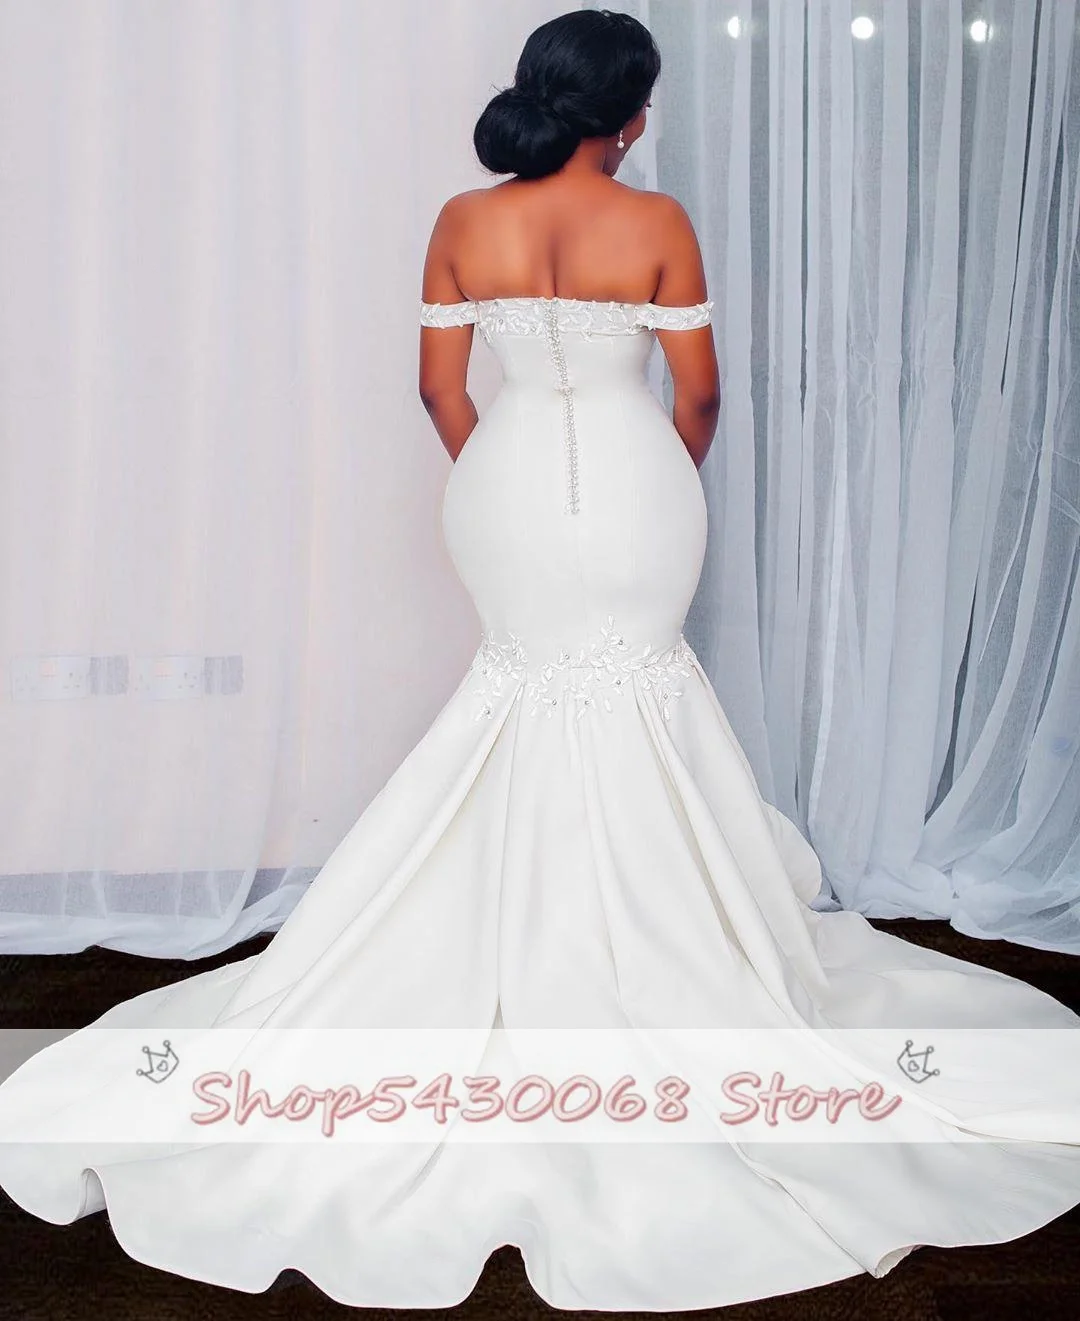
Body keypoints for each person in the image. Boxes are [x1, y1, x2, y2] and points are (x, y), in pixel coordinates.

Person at [1, 8, 1079, 1313]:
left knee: (520, 692)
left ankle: (524, 935)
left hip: (501, 488)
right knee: (637, 694)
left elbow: (439, 389)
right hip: (637, 486)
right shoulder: (658, 220)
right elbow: (701, 394)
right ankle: (655, 950)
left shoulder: (464, 218)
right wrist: (661, 475)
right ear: (627, 112)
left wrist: (497, 481)